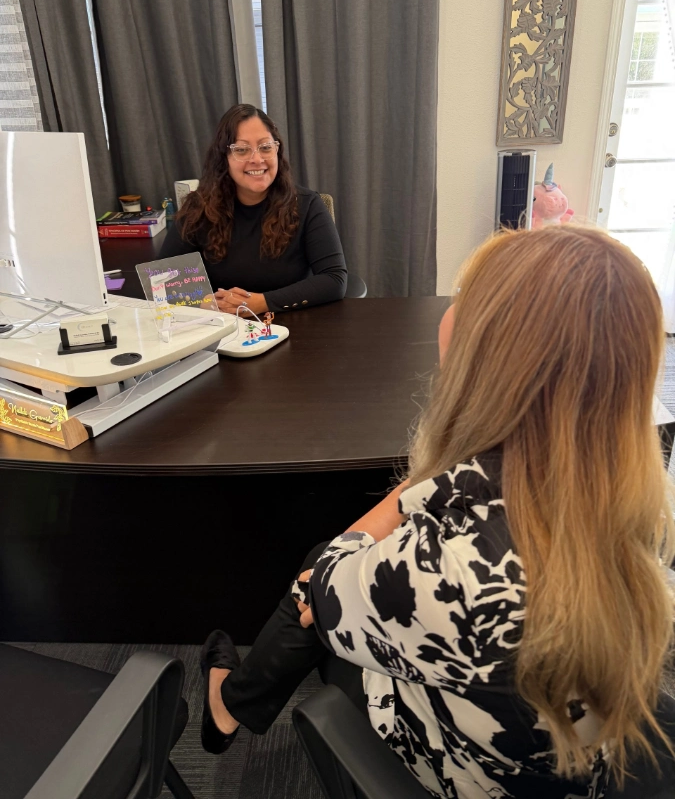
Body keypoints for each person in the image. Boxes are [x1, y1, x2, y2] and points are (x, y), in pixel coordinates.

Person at [199, 225, 675, 798]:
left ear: (491, 355)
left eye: (461, 302)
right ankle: (231, 706)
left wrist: (431, 470)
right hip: (585, 741)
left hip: (473, 769)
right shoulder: (643, 498)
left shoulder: (448, 572)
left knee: (311, 577)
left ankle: (225, 708)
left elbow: (325, 583)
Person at [161, 104, 347, 315]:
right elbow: (162, 281)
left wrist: (260, 303)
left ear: (277, 151)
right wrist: (209, 303)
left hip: (292, 327)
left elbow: (334, 279)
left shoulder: (307, 204)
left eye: (265, 147)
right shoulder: (198, 208)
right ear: (224, 158)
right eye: (241, 150)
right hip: (222, 327)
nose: (257, 159)